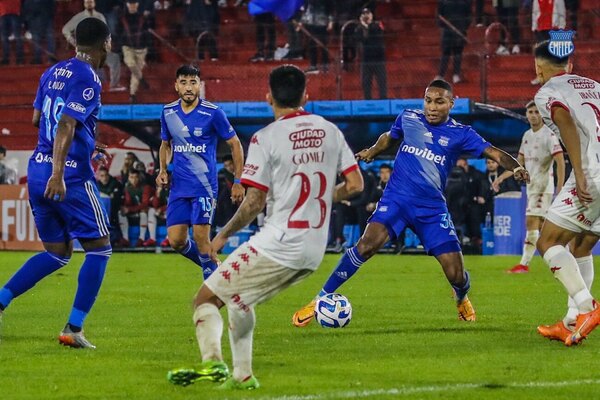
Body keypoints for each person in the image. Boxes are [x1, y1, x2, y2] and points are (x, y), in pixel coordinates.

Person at [166, 64, 364, 389]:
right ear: (306, 95)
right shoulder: (330, 130)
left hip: (279, 241)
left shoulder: (266, 137)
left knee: (205, 299)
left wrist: (222, 236)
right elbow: (355, 185)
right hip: (313, 250)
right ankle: (243, 377)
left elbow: (254, 202)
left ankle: (213, 363)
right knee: (240, 300)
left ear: (268, 97)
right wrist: (326, 197)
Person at [292, 79, 530, 327]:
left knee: (455, 274)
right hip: (396, 200)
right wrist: (373, 150)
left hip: (431, 209)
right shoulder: (408, 118)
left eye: (439, 102)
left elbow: (494, 153)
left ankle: (461, 297)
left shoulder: (462, 133)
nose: (432, 107)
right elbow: (389, 137)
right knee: (366, 245)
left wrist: (516, 167)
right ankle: (319, 299)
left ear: (451, 103)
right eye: (428, 100)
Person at [0, 18, 113, 349]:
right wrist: (59, 172)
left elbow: (39, 120)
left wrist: (89, 142)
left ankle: (1, 301)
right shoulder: (89, 78)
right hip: (69, 176)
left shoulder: (52, 72)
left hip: (36, 170)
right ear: (105, 44)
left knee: (57, 252)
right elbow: (65, 124)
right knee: (100, 249)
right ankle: (74, 328)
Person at [531, 40, 600, 345]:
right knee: (582, 246)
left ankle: (587, 307)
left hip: (593, 170)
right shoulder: (594, 85)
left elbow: (564, 119)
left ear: (538, 67)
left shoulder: (547, 92)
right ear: (569, 65)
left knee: (548, 241)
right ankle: (572, 321)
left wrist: (582, 173)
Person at [156, 64, 244, 280]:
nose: (188, 87)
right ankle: (216, 270)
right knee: (176, 240)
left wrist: (238, 180)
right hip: (179, 187)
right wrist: (163, 170)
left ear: (199, 86)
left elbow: (235, 145)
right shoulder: (168, 112)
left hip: (204, 187)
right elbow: (165, 145)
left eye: (193, 82)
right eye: (184, 82)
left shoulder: (213, 113)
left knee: (201, 237)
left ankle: (211, 292)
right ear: (176, 85)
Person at [493, 101, 565, 274]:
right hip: (532, 188)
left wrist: (560, 186)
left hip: (543, 187)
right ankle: (564, 257)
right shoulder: (527, 135)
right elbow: (519, 163)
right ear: (526, 114)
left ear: (541, 115)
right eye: (530, 112)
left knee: (531, 223)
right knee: (543, 228)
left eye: (536, 112)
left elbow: (560, 161)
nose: (533, 115)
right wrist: (501, 177)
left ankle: (524, 265)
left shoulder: (549, 135)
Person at [62, 0, 125, 92]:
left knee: (114, 58)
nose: (89, 4)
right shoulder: (79, 17)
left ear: (94, 3)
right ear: (84, 4)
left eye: (91, 2)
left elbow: (105, 32)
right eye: (87, 2)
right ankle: (96, 87)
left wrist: (107, 45)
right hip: (86, 50)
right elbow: (65, 29)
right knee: (94, 63)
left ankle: (114, 85)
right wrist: (74, 42)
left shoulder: (99, 16)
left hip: (99, 48)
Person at [436, 0, 471, 84]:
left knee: (456, 53)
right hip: (450, 29)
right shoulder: (444, 2)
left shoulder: (465, 2)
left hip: (459, 29)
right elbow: (439, 16)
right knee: (448, 53)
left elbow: (468, 16)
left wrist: (463, 26)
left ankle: (454, 75)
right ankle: (442, 75)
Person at [356, 8, 387, 99]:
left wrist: (368, 25)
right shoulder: (359, 28)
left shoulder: (377, 25)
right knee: (366, 83)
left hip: (379, 59)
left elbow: (378, 34)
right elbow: (359, 39)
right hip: (366, 60)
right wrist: (364, 25)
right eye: (364, 14)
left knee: (382, 82)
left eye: (368, 13)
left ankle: (383, 100)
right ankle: (367, 101)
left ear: (372, 15)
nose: (366, 16)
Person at [118, 169, 153, 247]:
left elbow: (145, 204)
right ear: (128, 178)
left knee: (143, 212)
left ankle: (142, 238)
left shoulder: (146, 187)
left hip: (145, 212)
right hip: (134, 211)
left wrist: (129, 209)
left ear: (139, 178)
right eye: (131, 177)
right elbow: (127, 203)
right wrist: (124, 207)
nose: (134, 179)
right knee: (120, 213)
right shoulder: (127, 188)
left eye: (136, 177)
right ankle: (125, 239)